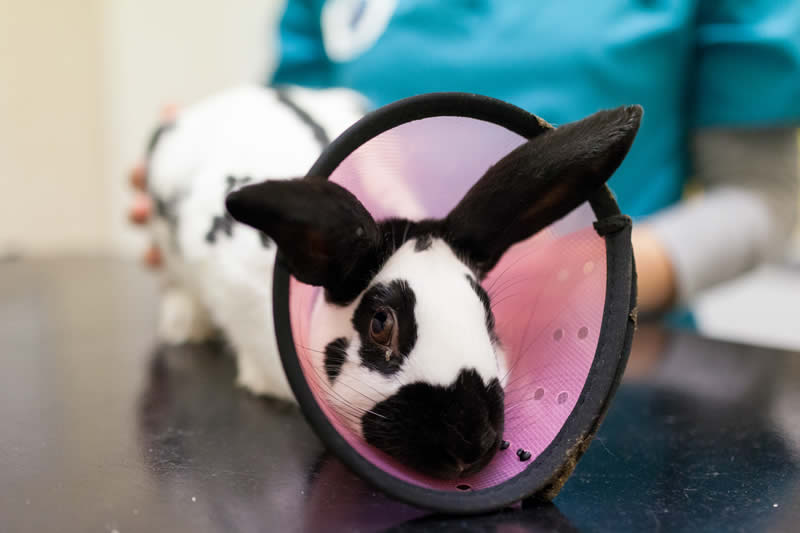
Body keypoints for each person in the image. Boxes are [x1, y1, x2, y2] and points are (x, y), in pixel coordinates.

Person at [130, 1, 800, 316]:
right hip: (369, 353)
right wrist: (216, 192)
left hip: (621, 371)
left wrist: (573, 287)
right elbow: (309, 136)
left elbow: (765, 200)